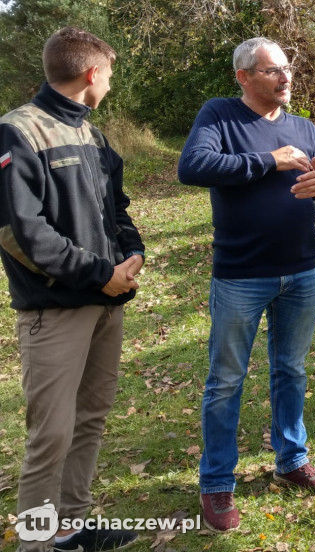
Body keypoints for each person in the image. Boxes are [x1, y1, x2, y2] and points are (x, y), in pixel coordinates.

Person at [178, 37, 315, 533]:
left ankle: (291, 460)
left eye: (287, 68)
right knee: (226, 381)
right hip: (241, 275)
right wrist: (268, 161)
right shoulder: (220, 116)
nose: (286, 76)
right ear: (244, 76)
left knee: (291, 371)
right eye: (274, 69)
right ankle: (217, 482)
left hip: (301, 271)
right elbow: (193, 167)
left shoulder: (304, 127)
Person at [1, 27, 145, 552]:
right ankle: (35, 544)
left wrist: (133, 252)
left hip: (107, 301)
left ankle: (71, 528)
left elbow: (116, 208)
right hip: (55, 309)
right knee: (51, 435)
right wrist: (97, 273)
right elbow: (19, 233)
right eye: (109, 74)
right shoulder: (18, 131)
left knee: (90, 419)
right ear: (92, 73)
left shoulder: (94, 137)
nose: (109, 84)